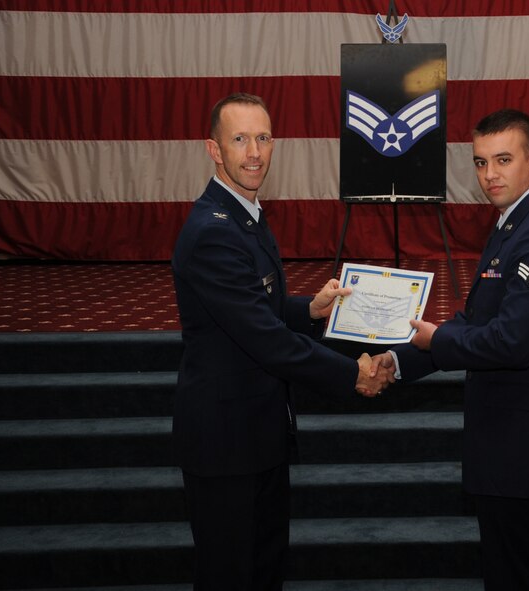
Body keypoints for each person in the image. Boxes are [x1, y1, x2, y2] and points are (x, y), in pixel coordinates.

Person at [171, 92, 393, 590]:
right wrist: (352, 373)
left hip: (257, 434)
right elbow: (266, 340)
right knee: (231, 576)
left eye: (264, 138)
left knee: (265, 570)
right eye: (240, 139)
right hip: (225, 443)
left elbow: (257, 309)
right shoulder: (214, 230)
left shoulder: (244, 214)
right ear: (213, 148)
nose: (254, 151)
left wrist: (309, 309)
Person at [371, 109, 529, 591]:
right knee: (505, 570)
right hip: (505, 442)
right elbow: (476, 320)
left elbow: (511, 341)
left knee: (521, 574)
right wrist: (398, 361)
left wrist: (437, 340)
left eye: (503, 160)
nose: (490, 175)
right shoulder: (512, 225)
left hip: (525, 449)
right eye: (481, 162)